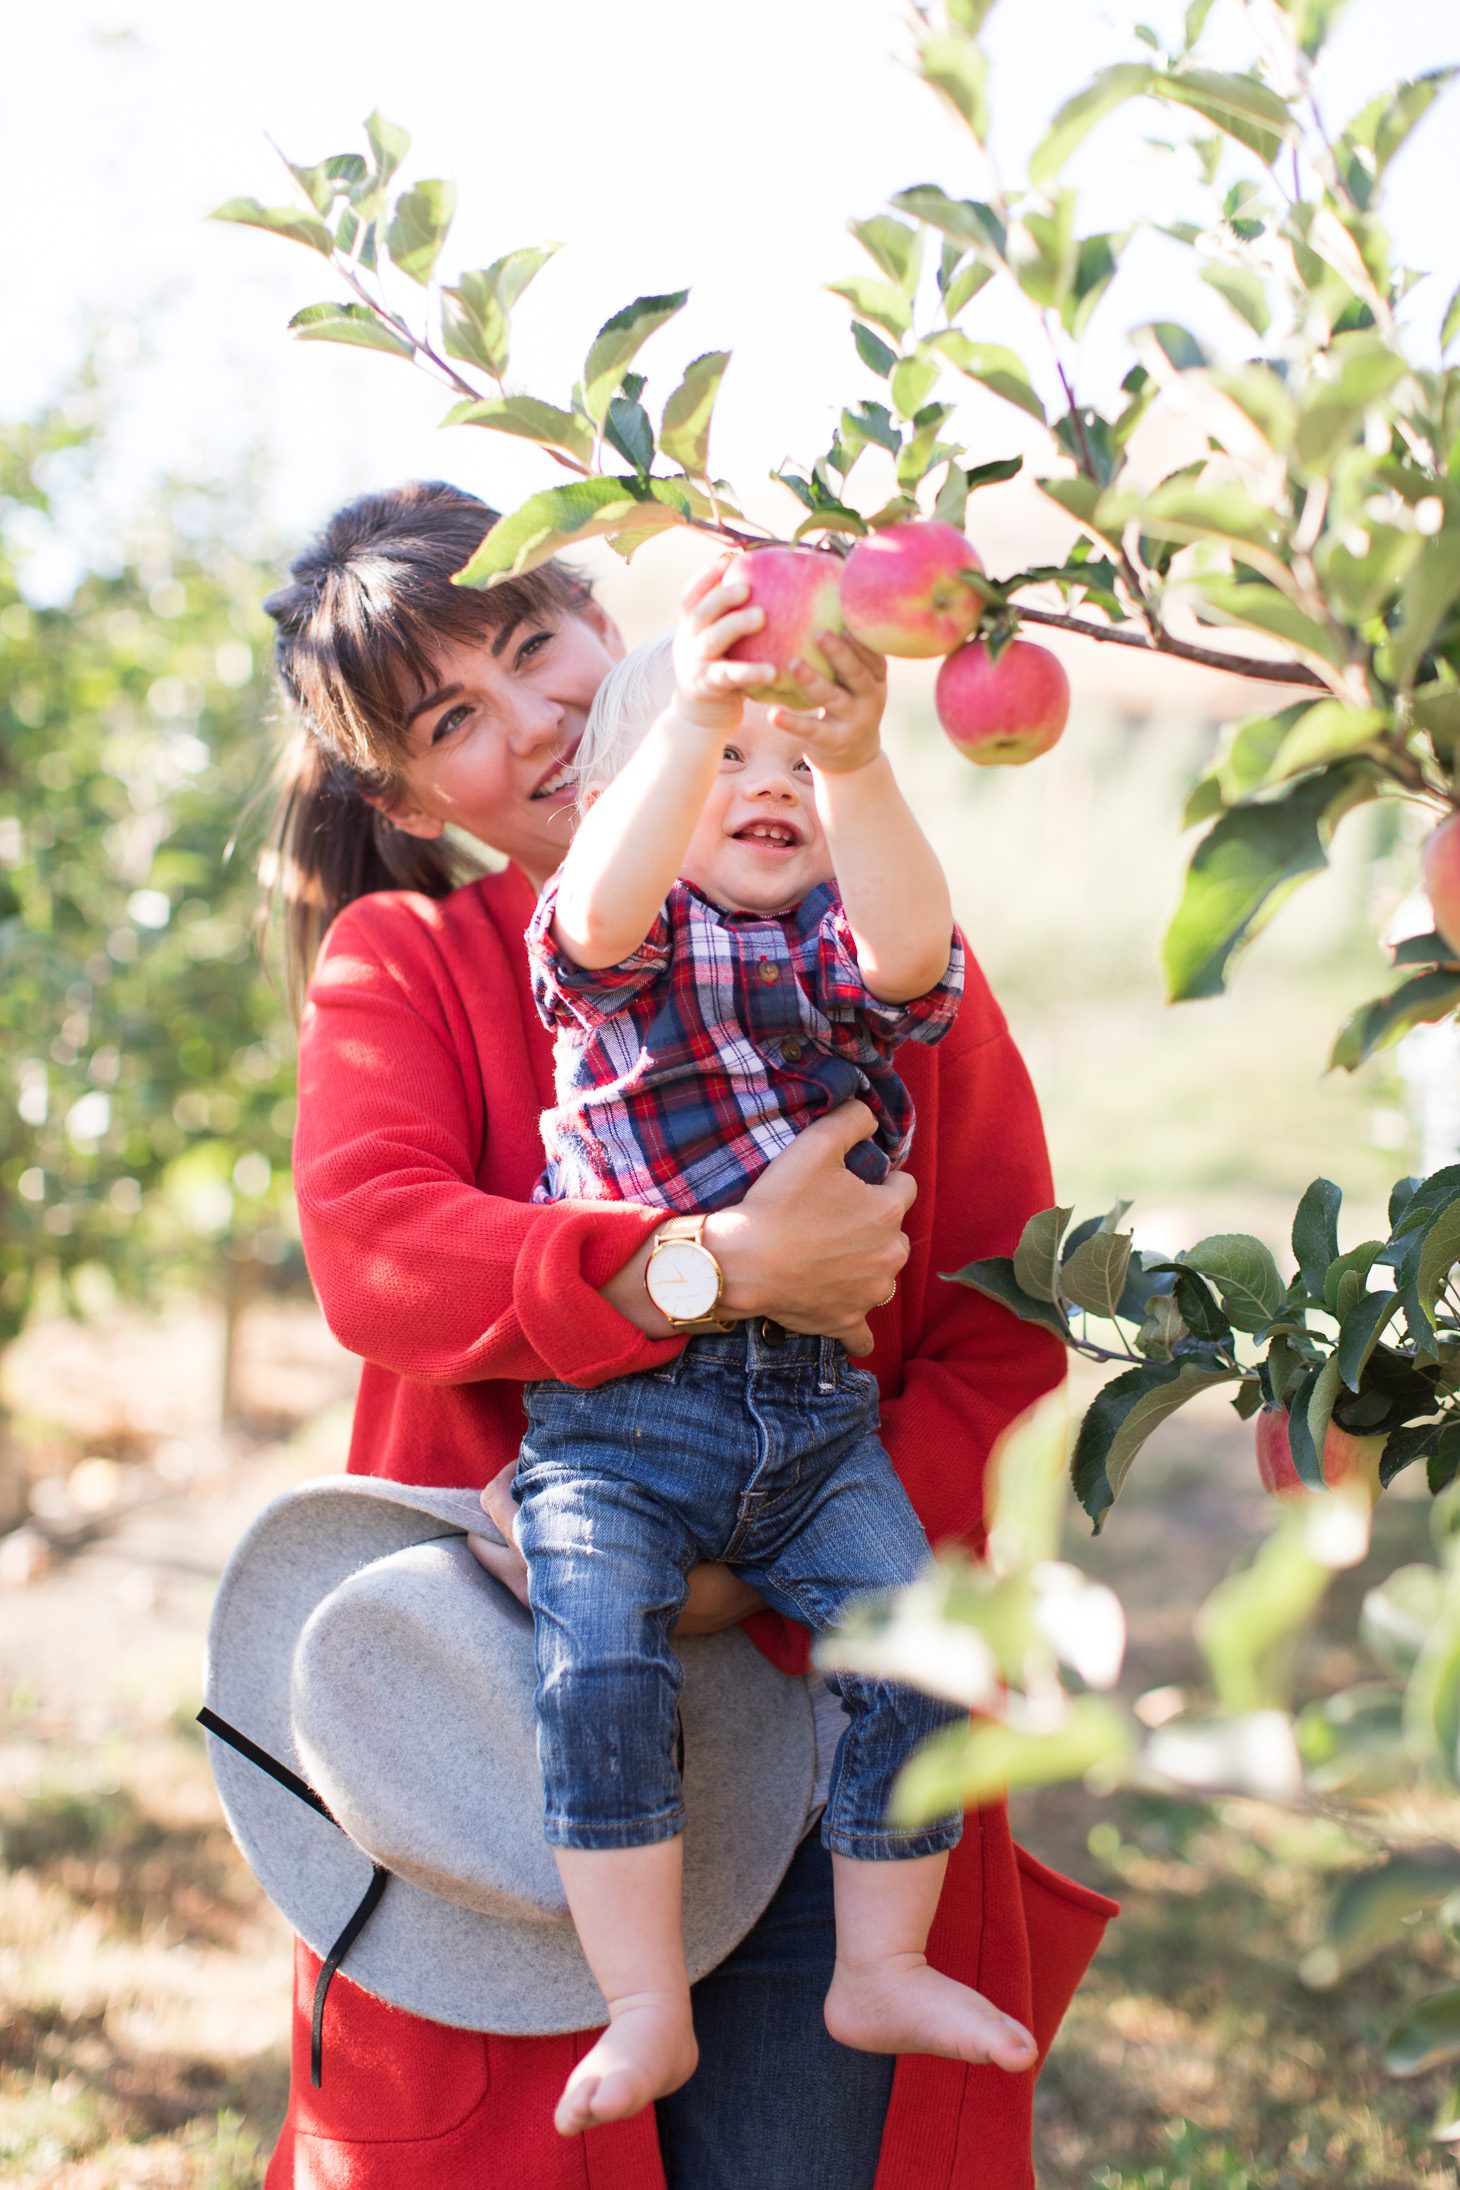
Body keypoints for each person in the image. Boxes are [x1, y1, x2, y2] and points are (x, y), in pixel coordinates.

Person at [260, 478, 1117, 2190]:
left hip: (819, 1734)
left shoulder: (860, 943)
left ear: (602, 613)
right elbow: (381, 1250)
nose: (541, 716)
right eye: (457, 717)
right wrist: (710, 1265)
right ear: (406, 794)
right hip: (514, 1734)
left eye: (534, 644)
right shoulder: (412, 963)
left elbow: (1002, 1325)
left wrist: (758, 1567)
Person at [514, 564, 1038, 2139]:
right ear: (627, 794)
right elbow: (601, 903)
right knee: (595, 1660)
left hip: (815, 1432)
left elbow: (906, 951)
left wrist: (865, 762)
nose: (767, 784)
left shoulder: (823, 961)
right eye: (726, 758)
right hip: (619, 1428)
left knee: (930, 1655)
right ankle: (643, 1998)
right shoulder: (608, 953)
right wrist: (692, 710)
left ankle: (877, 1957)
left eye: (793, 766)